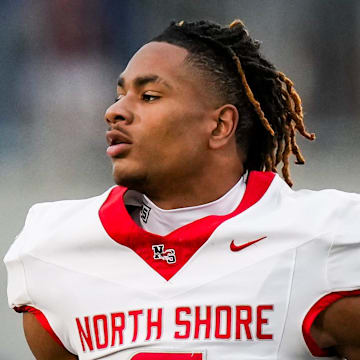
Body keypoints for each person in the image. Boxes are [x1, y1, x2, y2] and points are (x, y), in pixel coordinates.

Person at [4, 19, 360, 360]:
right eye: (120, 94)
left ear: (220, 125)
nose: (114, 111)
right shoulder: (53, 249)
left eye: (149, 96)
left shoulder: (323, 239)